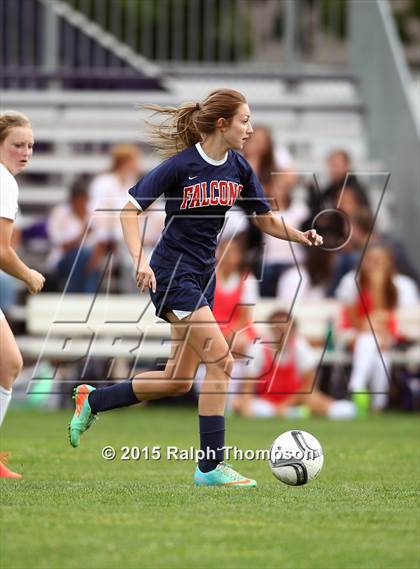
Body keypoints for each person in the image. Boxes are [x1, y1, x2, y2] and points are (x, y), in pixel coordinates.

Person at [67, 89, 323, 487]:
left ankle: (93, 400)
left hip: (202, 277)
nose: (250, 129)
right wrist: (139, 260)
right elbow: (130, 210)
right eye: (244, 121)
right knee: (221, 362)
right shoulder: (181, 165)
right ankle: (210, 467)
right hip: (172, 275)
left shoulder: (238, 166)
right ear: (222, 123)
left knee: (178, 380)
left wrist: (299, 235)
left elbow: (265, 219)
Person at [0, 111, 45, 478]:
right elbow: (1, 250)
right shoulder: (4, 181)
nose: (26, 151)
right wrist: (28, 274)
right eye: (17, 144)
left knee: (8, 364)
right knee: (9, 363)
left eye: (30, 145)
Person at [335, 243, 419, 414]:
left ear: (389, 262)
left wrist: (378, 288)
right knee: (371, 341)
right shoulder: (351, 281)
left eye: (380, 260)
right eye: (371, 260)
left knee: (379, 351)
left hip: (386, 336)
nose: (375, 265)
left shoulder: (402, 284)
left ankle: (359, 389)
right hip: (356, 334)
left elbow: (391, 319)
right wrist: (373, 327)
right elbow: (354, 320)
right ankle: (376, 402)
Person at [232, 310, 356, 419]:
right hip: (267, 403)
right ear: (270, 329)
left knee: (334, 407)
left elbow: (309, 386)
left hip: (295, 402)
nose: (281, 334)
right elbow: (247, 387)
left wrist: (285, 406)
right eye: (277, 329)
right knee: (240, 404)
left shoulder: (300, 346)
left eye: (285, 329)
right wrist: (246, 409)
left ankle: (297, 413)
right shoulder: (257, 348)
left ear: (293, 330)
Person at [47, 178, 105, 293]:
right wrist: (82, 234)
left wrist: (94, 259)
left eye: (85, 200)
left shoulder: (93, 214)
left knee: (88, 259)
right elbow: (62, 246)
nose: (82, 204)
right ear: (72, 200)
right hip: (63, 259)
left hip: (91, 261)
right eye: (80, 201)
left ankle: (78, 296)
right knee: (82, 255)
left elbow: (102, 242)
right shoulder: (60, 213)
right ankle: (84, 296)